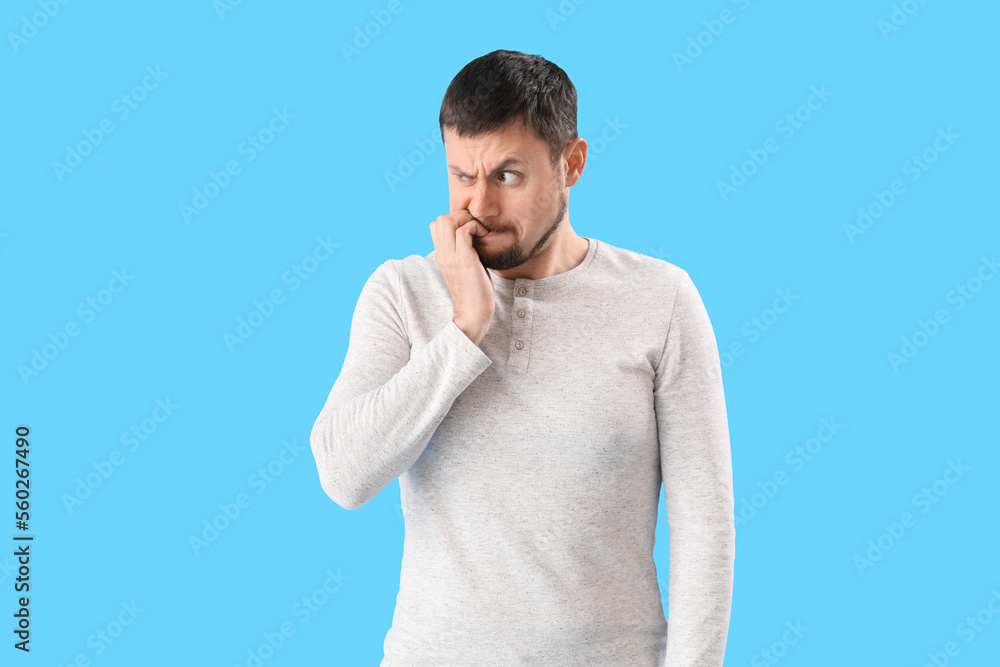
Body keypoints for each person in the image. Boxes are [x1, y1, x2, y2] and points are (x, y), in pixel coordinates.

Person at [309, 49, 735, 666]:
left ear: (572, 164)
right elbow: (345, 477)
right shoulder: (401, 293)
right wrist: (463, 331)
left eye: (507, 176)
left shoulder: (661, 300)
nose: (479, 205)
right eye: (461, 176)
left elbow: (705, 528)